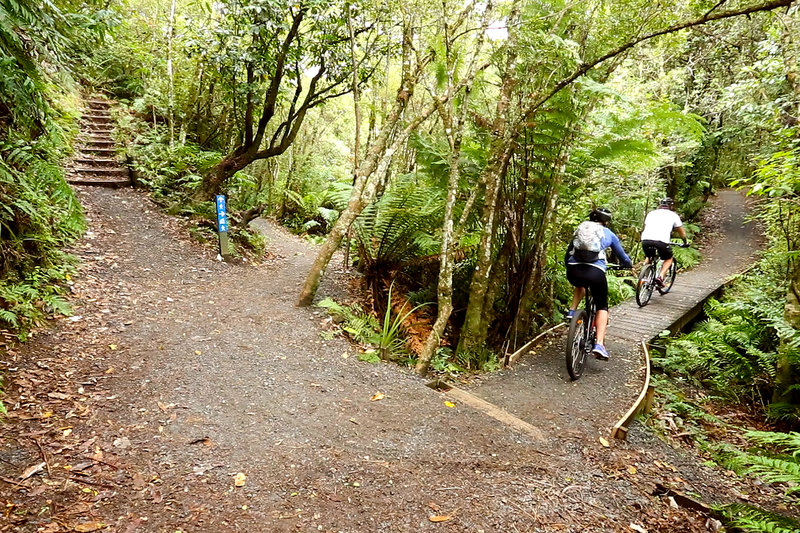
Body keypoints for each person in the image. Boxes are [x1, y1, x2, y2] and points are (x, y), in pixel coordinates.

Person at [565, 207, 633, 361]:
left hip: (573, 270)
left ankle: (571, 311)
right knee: (602, 306)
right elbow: (622, 256)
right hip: (595, 273)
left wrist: (570, 267)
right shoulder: (608, 233)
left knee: (580, 285)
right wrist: (628, 264)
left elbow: (568, 252)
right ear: (606, 221)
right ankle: (600, 344)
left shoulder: (581, 229)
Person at [640, 197, 689, 287]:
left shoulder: (651, 213)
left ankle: (645, 277)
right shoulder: (673, 215)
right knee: (669, 258)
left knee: (649, 256)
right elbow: (682, 233)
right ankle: (661, 277)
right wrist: (685, 242)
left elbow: (646, 225)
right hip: (661, 241)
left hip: (645, 240)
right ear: (671, 206)